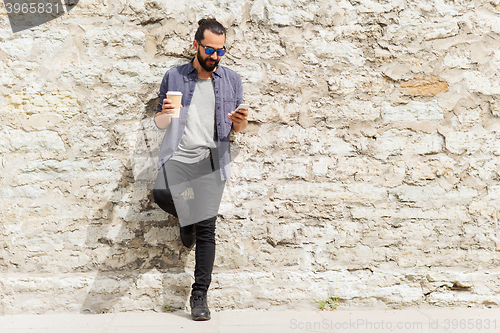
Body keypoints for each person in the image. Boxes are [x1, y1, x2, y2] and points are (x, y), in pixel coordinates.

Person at [152, 18, 248, 321]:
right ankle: (186, 217)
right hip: (179, 156)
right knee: (161, 193)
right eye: (209, 49)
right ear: (196, 45)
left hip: (212, 159)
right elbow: (159, 122)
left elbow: (240, 128)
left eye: (220, 51)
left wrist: (240, 120)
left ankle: (199, 295)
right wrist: (166, 115)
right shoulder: (175, 76)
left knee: (207, 229)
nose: (215, 56)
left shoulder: (232, 80)